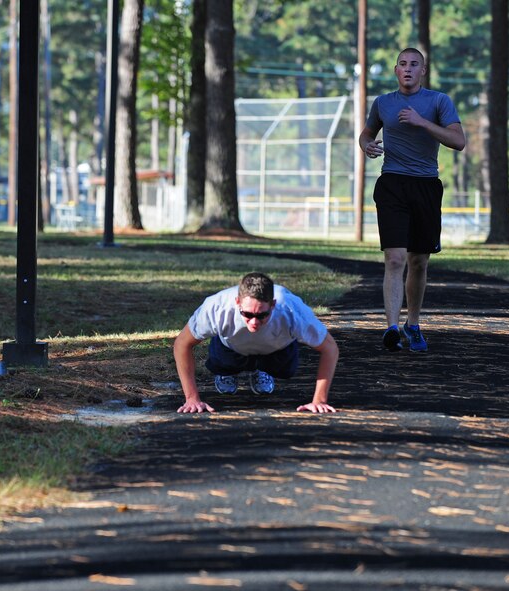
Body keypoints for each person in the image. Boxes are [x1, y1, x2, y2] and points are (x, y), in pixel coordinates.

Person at [359, 48, 466, 353]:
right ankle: (391, 328)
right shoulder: (383, 103)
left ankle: (413, 324)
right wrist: (367, 145)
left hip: (426, 186)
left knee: (418, 262)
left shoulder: (438, 101)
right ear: (396, 70)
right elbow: (366, 133)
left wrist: (423, 123)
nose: (408, 69)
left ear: (423, 71)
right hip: (392, 183)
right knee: (395, 258)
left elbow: (458, 141)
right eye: (403, 64)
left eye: (414, 64)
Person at [173, 272, 339, 414]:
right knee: (223, 363)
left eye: (262, 315)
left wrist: (319, 400)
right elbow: (182, 344)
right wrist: (192, 399)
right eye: (247, 314)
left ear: (273, 305)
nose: (254, 322)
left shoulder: (291, 310)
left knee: (286, 370)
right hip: (231, 347)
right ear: (237, 302)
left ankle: (261, 369)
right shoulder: (216, 307)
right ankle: (228, 371)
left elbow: (330, 348)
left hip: (277, 349)